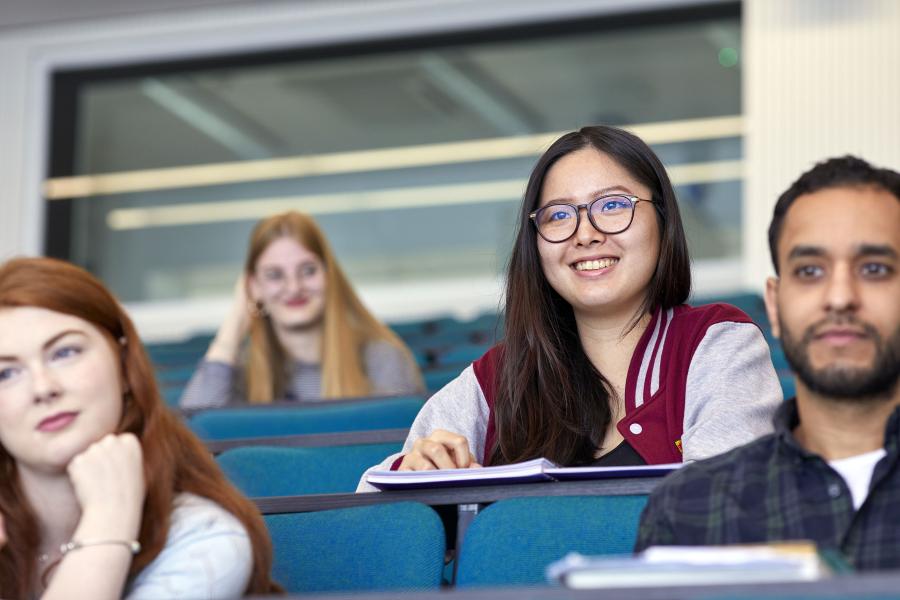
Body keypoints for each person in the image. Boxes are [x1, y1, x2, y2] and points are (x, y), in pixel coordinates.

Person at [357, 125, 782, 491]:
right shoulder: (498, 379)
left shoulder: (717, 344)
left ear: (664, 221)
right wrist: (414, 473)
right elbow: (374, 506)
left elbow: (723, 511)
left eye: (613, 205)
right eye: (559, 215)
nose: (585, 234)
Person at [634, 156, 900, 570]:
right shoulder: (688, 509)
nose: (840, 297)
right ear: (774, 305)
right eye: (810, 270)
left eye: (874, 268)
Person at [0, 257, 280, 599]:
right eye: (6, 374)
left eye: (65, 352)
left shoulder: (206, 538)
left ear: (123, 364)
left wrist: (107, 526)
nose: (43, 388)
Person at [180, 210, 424, 408]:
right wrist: (233, 324)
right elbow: (193, 435)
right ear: (253, 286)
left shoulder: (382, 358)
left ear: (329, 276)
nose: (294, 287)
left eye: (307, 271)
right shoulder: (241, 371)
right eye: (275, 275)